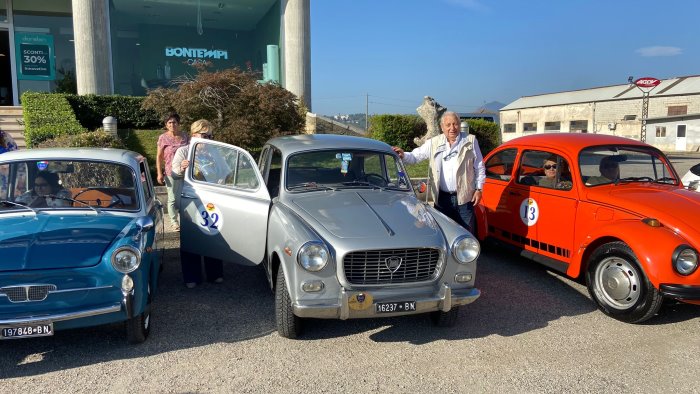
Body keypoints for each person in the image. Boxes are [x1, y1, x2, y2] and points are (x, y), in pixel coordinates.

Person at [392, 111, 485, 233]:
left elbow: (479, 166)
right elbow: (416, 156)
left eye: (455, 124)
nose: (452, 128)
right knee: (442, 232)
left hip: (465, 198)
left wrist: (479, 189)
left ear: (459, 125)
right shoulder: (434, 142)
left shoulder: (470, 141)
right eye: (448, 125)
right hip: (441, 198)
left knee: (466, 233)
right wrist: (403, 155)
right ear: (442, 127)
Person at [171, 119, 224, 288]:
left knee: (213, 235)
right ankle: (192, 276)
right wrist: (181, 168)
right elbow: (173, 173)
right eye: (204, 135)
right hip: (190, 200)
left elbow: (225, 173)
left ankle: (214, 273)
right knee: (191, 238)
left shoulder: (214, 152)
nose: (208, 138)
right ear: (194, 135)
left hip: (211, 200)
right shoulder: (183, 151)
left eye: (210, 135)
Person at [156, 112, 188, 231]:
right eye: (169, 122)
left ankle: (185, 219)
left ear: (178, 123)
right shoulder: (163, 138)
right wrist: (159, 173)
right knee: (172, 198)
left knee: (183, 197)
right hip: (171, 173)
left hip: (185, 171)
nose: (172, 124)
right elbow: (159, 157)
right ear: (166, 124)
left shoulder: (185, 136)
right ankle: (174, 221)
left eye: (174, 122)